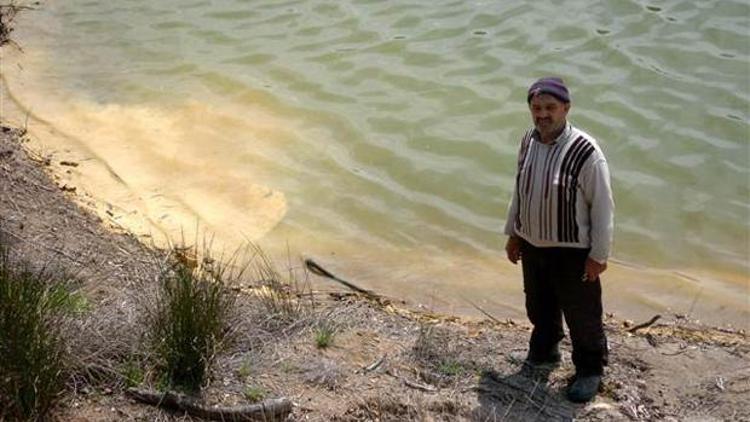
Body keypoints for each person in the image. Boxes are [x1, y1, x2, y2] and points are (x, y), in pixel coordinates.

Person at [503, 77, 614, 403]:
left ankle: (590, 369)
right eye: (536, 108)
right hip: (533, 244)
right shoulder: (528, 141)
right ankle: (545, 349)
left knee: (583, 315)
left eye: (550, 108)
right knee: (538, 304)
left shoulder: (586, 152)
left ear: (566, 108)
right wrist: (514, 233)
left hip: (573, 252)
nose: (543, 115)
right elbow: (519, 190)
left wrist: (599, 255)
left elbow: (604, 209)